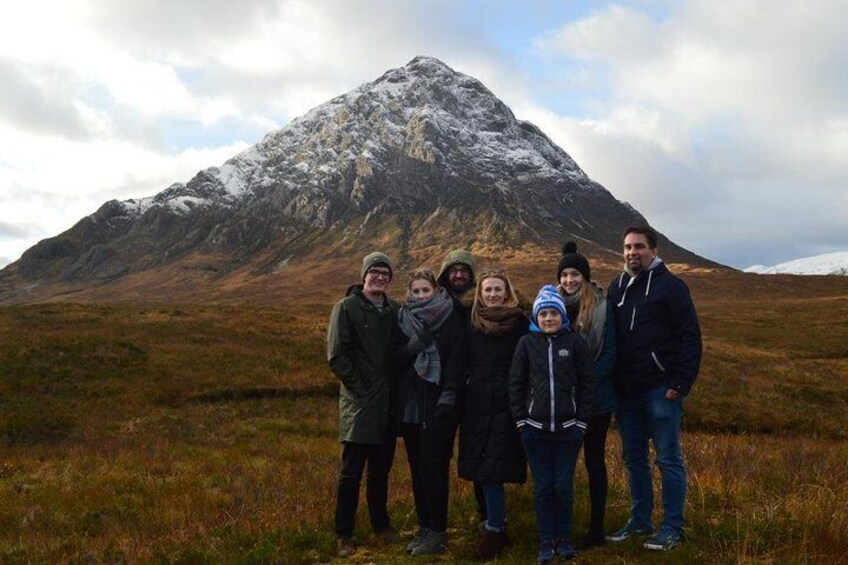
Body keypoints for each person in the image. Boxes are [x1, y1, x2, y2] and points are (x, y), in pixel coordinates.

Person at [605, 226, 702, 551]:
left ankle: (673, 527)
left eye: (639, 247)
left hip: (662, 389)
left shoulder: (671, 287)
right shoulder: (616, 287)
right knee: (634, 459)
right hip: (627, 392)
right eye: (627, 247)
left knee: (668, 459)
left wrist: (681, 382)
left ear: (654, 251)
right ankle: (640, 521)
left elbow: (690, 335)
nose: (632, 252)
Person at [509, 286, 597, 564]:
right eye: (543, 313)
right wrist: (522, 422)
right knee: (543, 488)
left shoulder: (575, 343)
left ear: (562, 316)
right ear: (536, 317)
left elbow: (588, 385)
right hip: (534, 431)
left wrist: (581, 424)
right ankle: (546, 541)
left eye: (554, 313)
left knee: (563, 487)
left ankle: (564, 540)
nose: (549, 318)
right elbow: (516, 384)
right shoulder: (526, 344)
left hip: (568, 431)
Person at [387, 269, 468, 556]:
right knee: (418, 469)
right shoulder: (402, 319)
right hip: (410, 406)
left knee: (435, 469)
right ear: (409, 293)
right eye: (416, 291)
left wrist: (449, 394)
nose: (421, 295)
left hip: (439, 406)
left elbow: (458, 360)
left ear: (436, 290)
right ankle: (423, 526)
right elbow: (393, 359)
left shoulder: (451, 318)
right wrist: (412, 346)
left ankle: (438, 531)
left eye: (425, 290)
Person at [327, 252, 400, 557]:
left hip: (389, 404)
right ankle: (344, 534)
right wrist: (362, 391)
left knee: (381, 471)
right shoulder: (346, 308)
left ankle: (380, 525)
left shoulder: (395, 310)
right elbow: (337, 356)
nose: (380, 277)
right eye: (375, 271)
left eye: (385, 272)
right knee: (351, 473)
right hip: (359, 405)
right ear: (364, 275)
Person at [458, 270, 530, 559]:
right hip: (475, 405)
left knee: (493, 470)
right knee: (481, 467)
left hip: (507, 405)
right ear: (480, 293)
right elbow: (460, 358)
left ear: (507, 292)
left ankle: (495, 530)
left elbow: (527, 364)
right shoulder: (470, 321)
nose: (492, 294)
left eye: (498, 289)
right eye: (487, 290)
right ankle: (494, 524)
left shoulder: (521, 324)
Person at [555, 241, 617, 547]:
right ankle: (560, 526)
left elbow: (609, 354)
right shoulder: (550, 305)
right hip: (562, 399)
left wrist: (584, 381)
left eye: (575, 274)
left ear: (585, 276)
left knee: (594, 461)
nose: (569, 280)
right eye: (565, 274)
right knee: (564, 464)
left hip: (596, 400)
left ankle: (596, 527)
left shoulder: (603, 306)